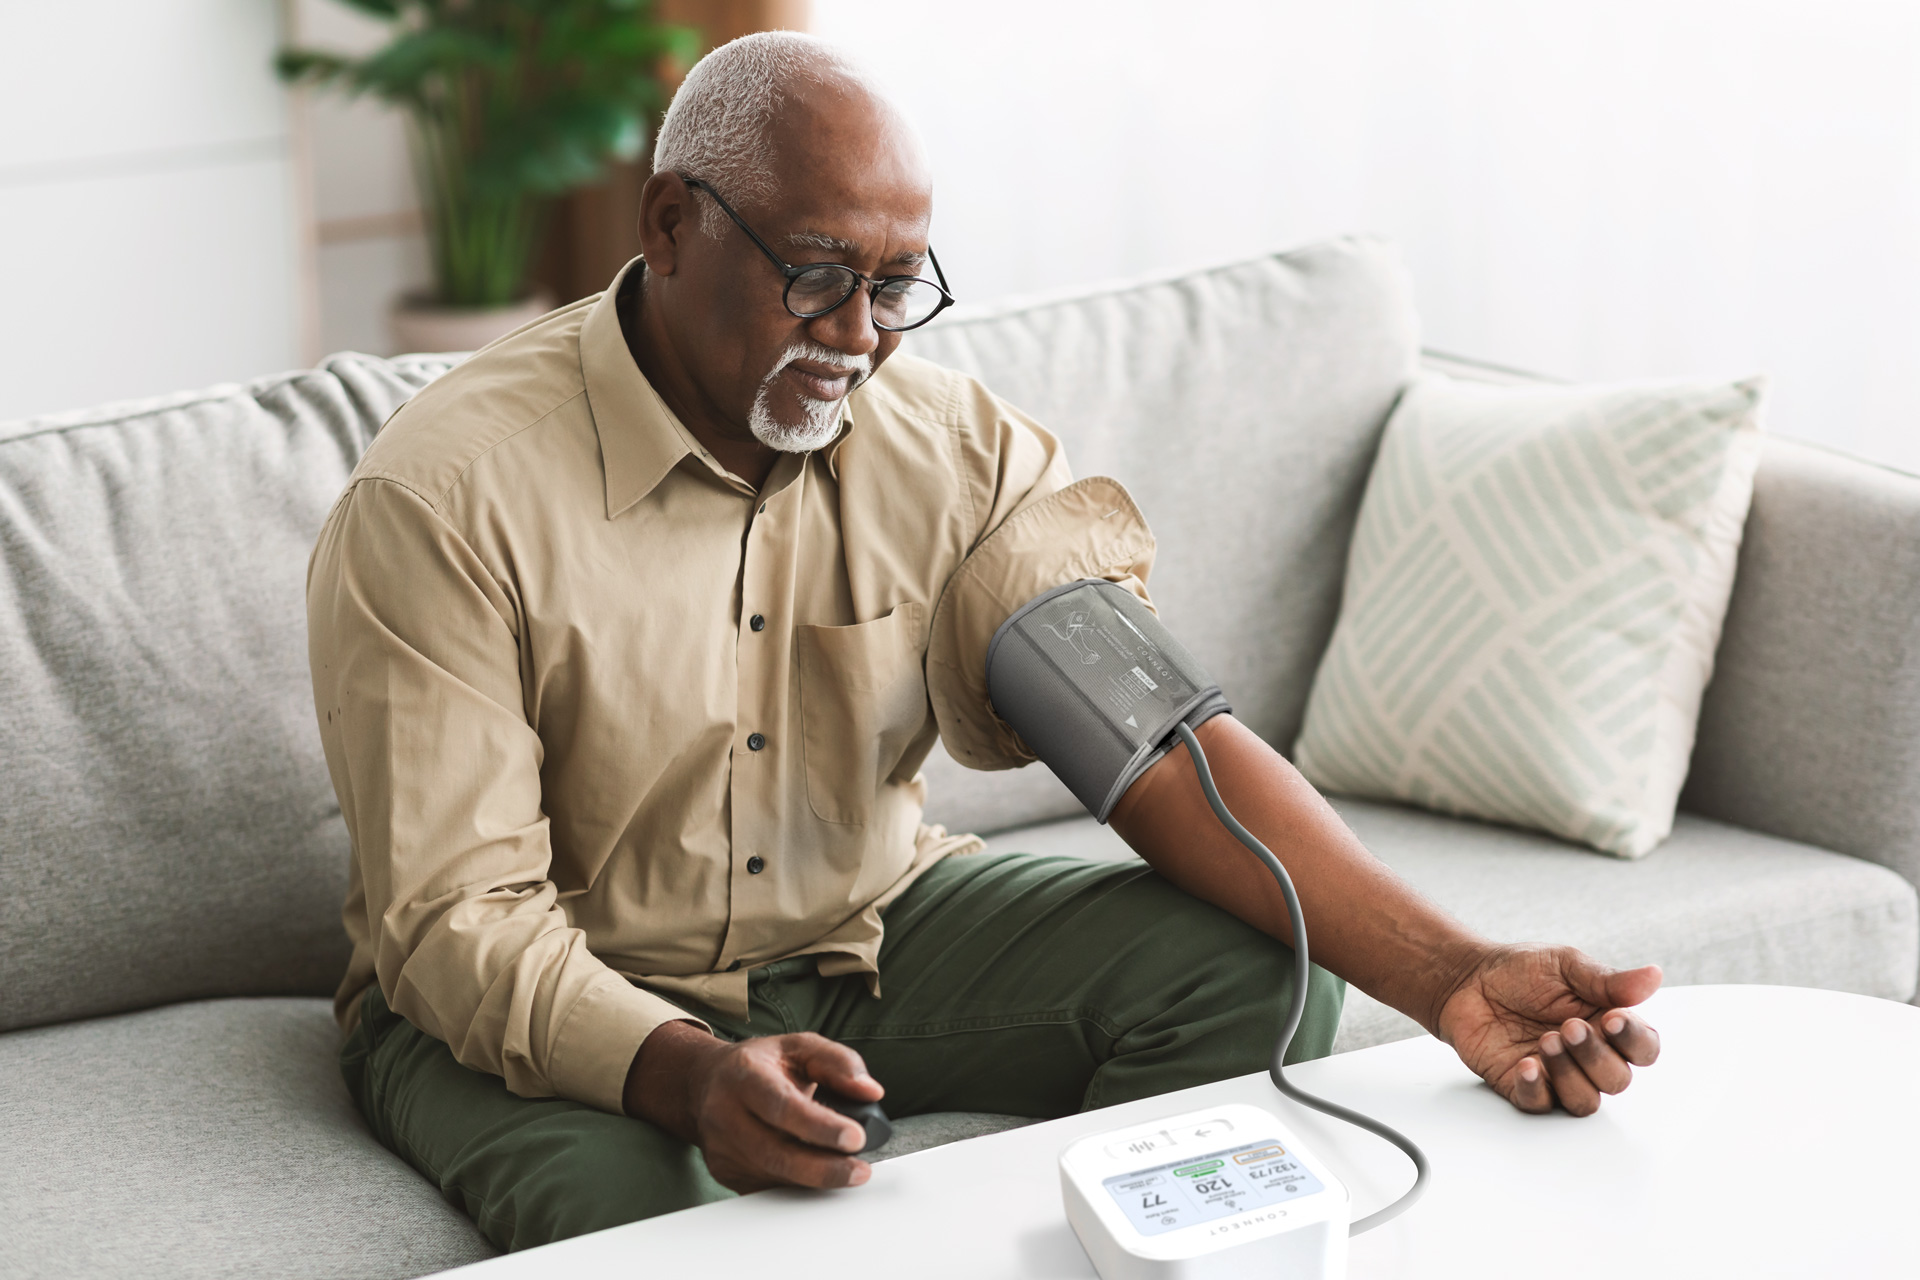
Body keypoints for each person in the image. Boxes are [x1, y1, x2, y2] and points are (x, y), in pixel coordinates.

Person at [307, 31, 1661, 1253]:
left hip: (861, 934)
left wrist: (1452, 976)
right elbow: (456, 923)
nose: (857, 337)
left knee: (1256, 975)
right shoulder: (445, 497)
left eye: (898, 287)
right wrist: (685, 1073)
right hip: (537, 996)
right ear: (670, 222)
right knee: (658, 1226)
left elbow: (1166, 756)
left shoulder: (953, 452)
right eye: (818, 275)